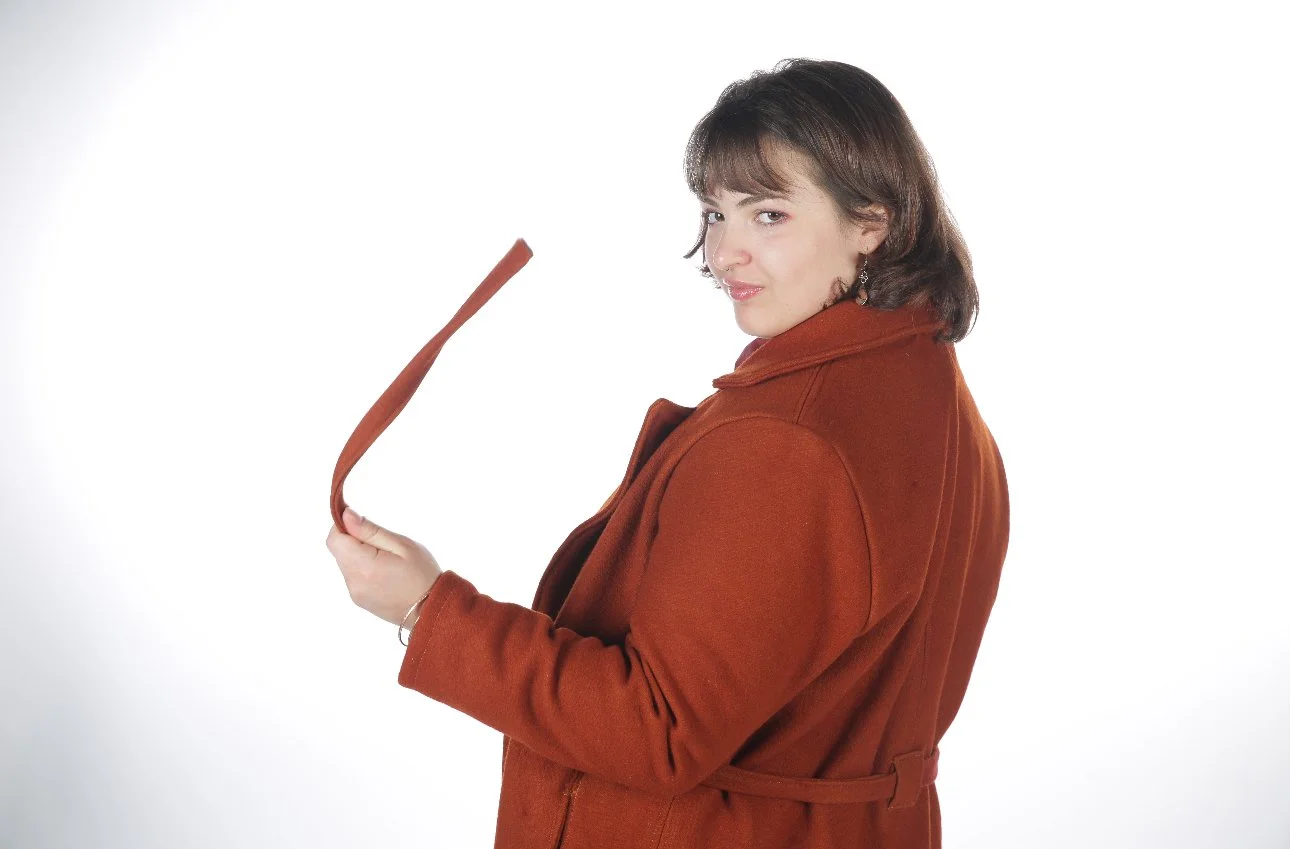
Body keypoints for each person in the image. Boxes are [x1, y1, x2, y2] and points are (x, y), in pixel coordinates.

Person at [330, 57, 1009, 849]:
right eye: (715, 214)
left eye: (769, 215)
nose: (724, 255)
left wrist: (429, 608)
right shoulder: (930, 390)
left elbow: (657, 730)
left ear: (872, 222)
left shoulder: (788, 440)